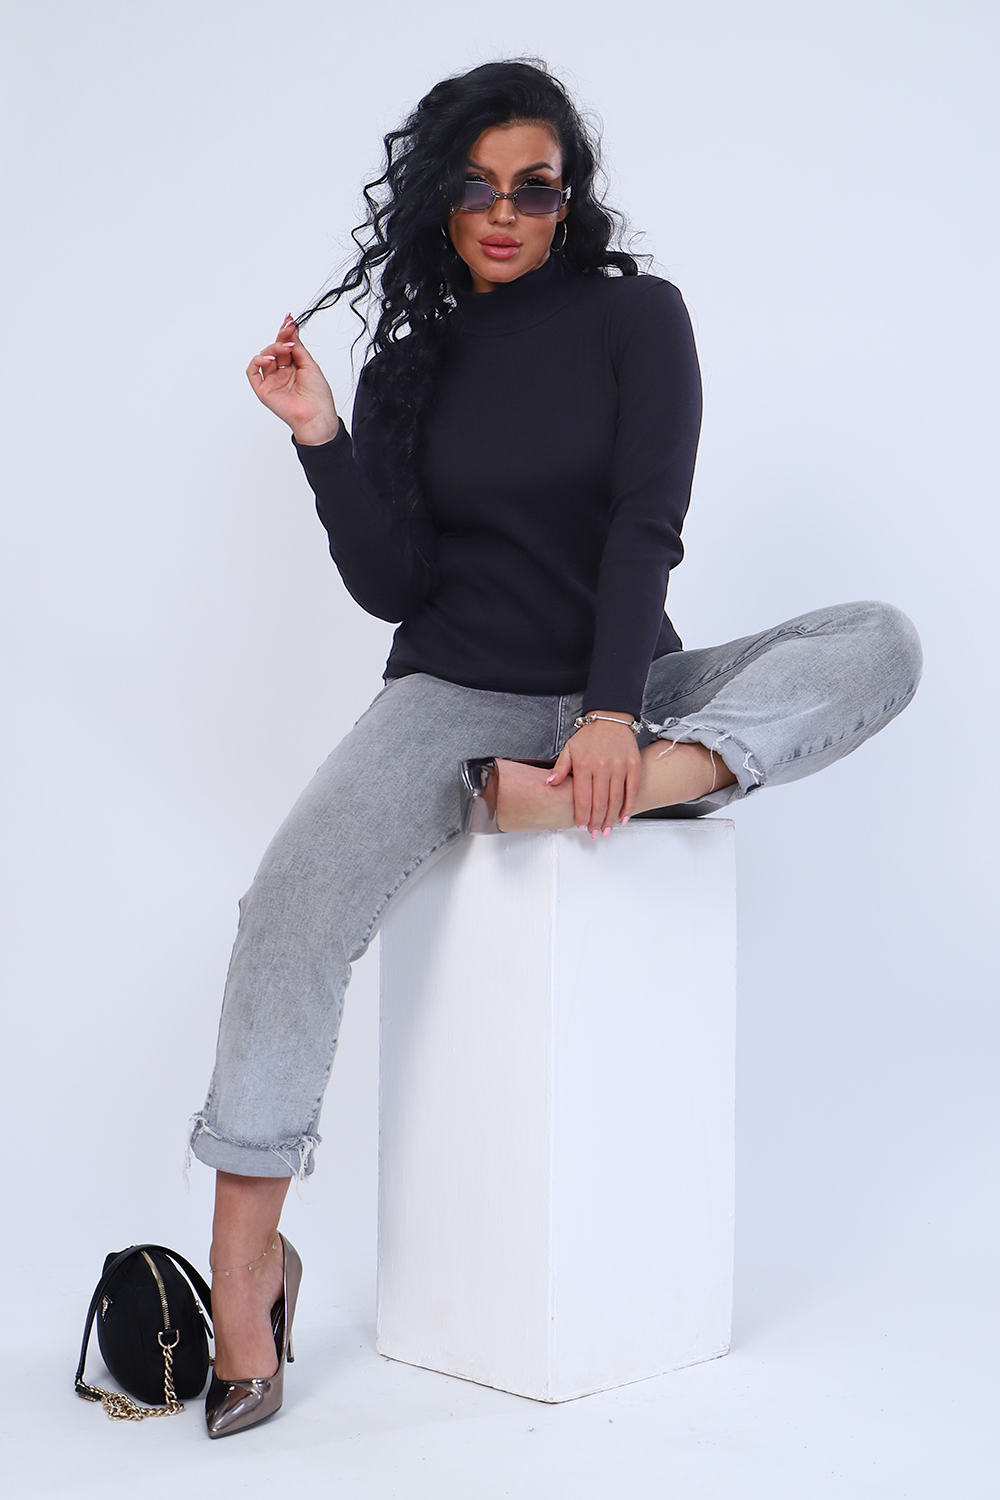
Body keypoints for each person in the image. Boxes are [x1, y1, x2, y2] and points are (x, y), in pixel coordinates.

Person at [189, 59, 922, 1437]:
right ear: (440, 199)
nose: (504, 213)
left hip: (624, 691)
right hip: (454, 698)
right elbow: (395, 587)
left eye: (533, 188)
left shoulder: (638, 318)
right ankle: (245, 1272)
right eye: (477, 188)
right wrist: (323, 435)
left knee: (878, 639)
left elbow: (648, 522)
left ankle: (638, 786)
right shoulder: (413, 362)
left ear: (568, 198)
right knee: (288, 909)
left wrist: (611, 718)